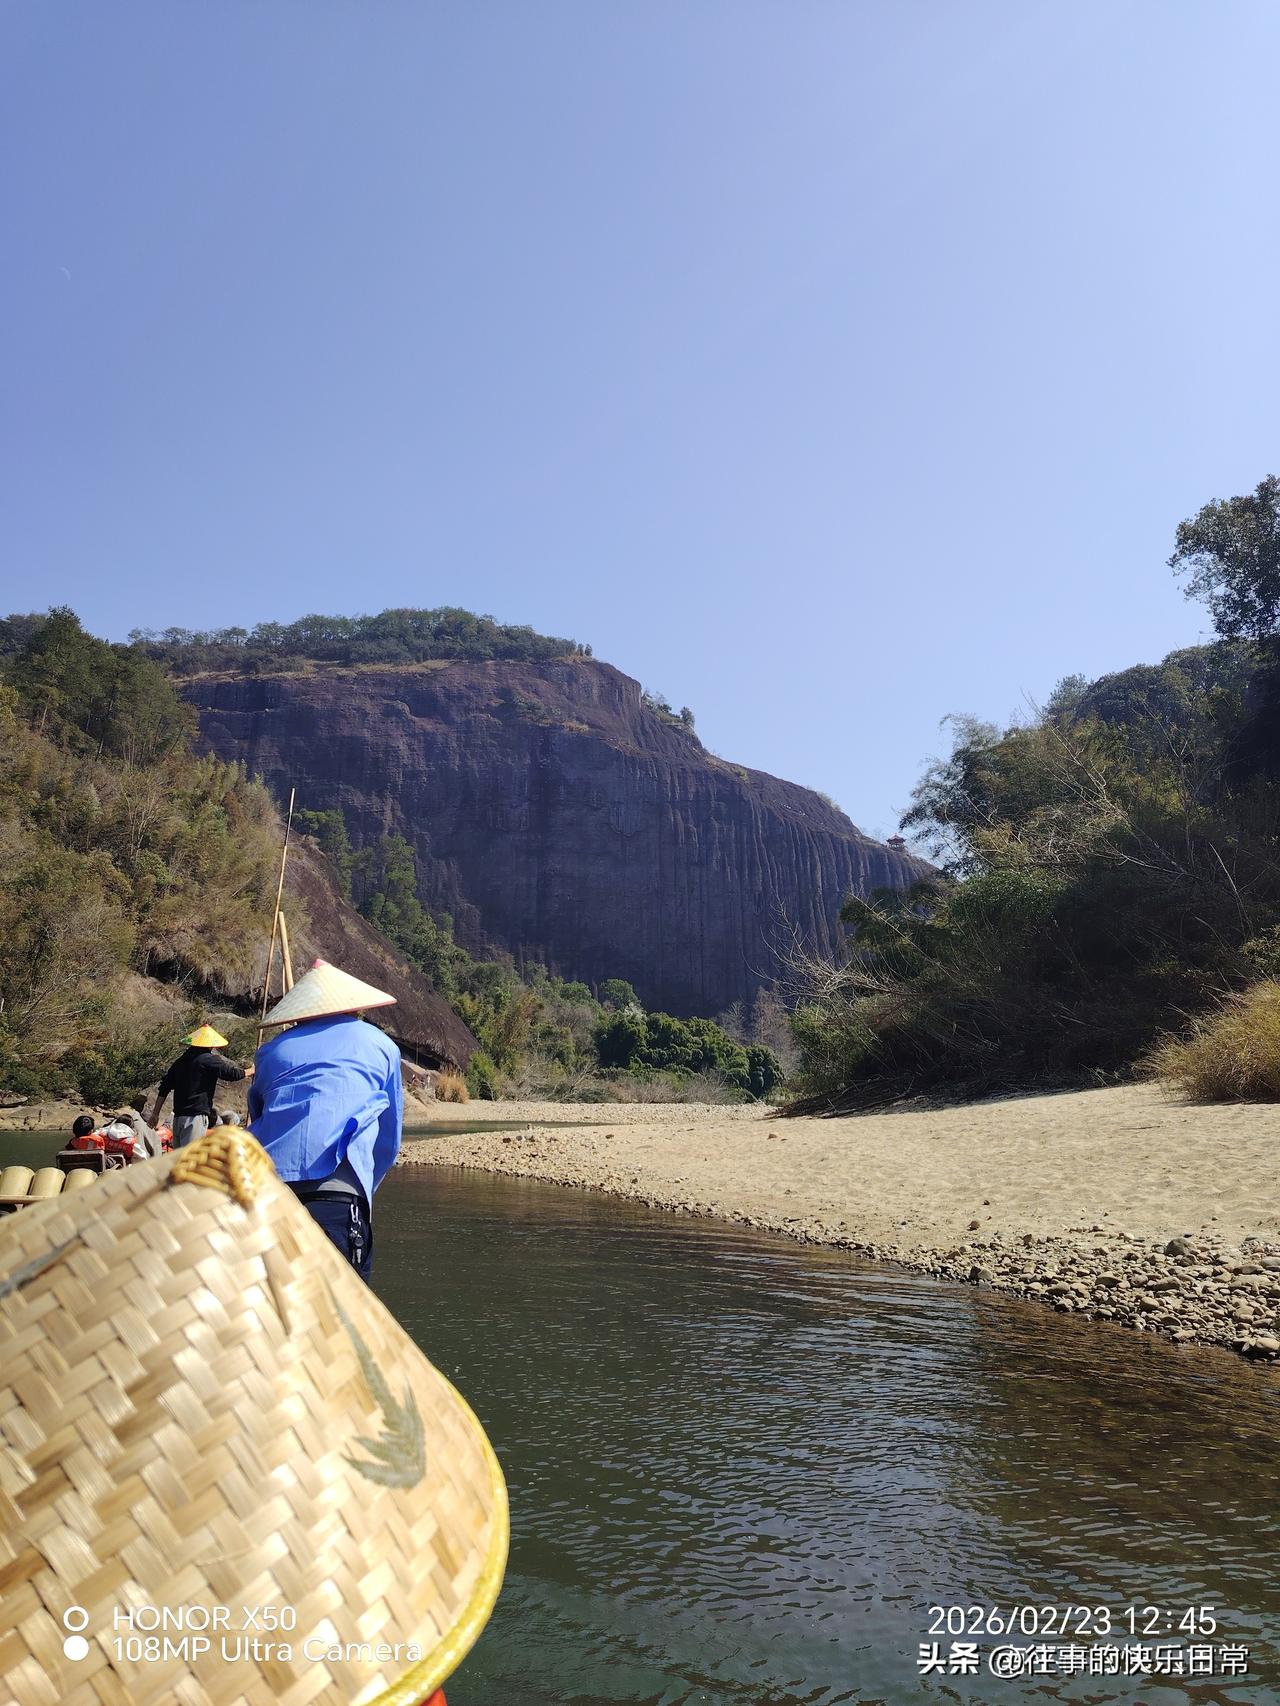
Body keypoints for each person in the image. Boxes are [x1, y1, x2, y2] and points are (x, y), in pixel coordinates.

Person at [249, 959, 403, 1281]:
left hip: (271, 1194)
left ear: (301, 1011)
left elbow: (260, 1114)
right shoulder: (380, 1044)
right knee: (341, 1311)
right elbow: (387, 1141)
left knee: (275, 1309)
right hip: (339, 1196)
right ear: (353, 1007)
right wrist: (362, 1191)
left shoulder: (272, 1051)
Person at [149, 1025, 252, 1148]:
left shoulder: (180, 1062)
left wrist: (155, 1113)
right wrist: (250, 1070)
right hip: (195, 1117)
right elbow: (231, 1074)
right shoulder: (208, 1060)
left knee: (179, 1160)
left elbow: (164, 1087)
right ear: (210, 1045)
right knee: (191, 1157)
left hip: (177, 1118)